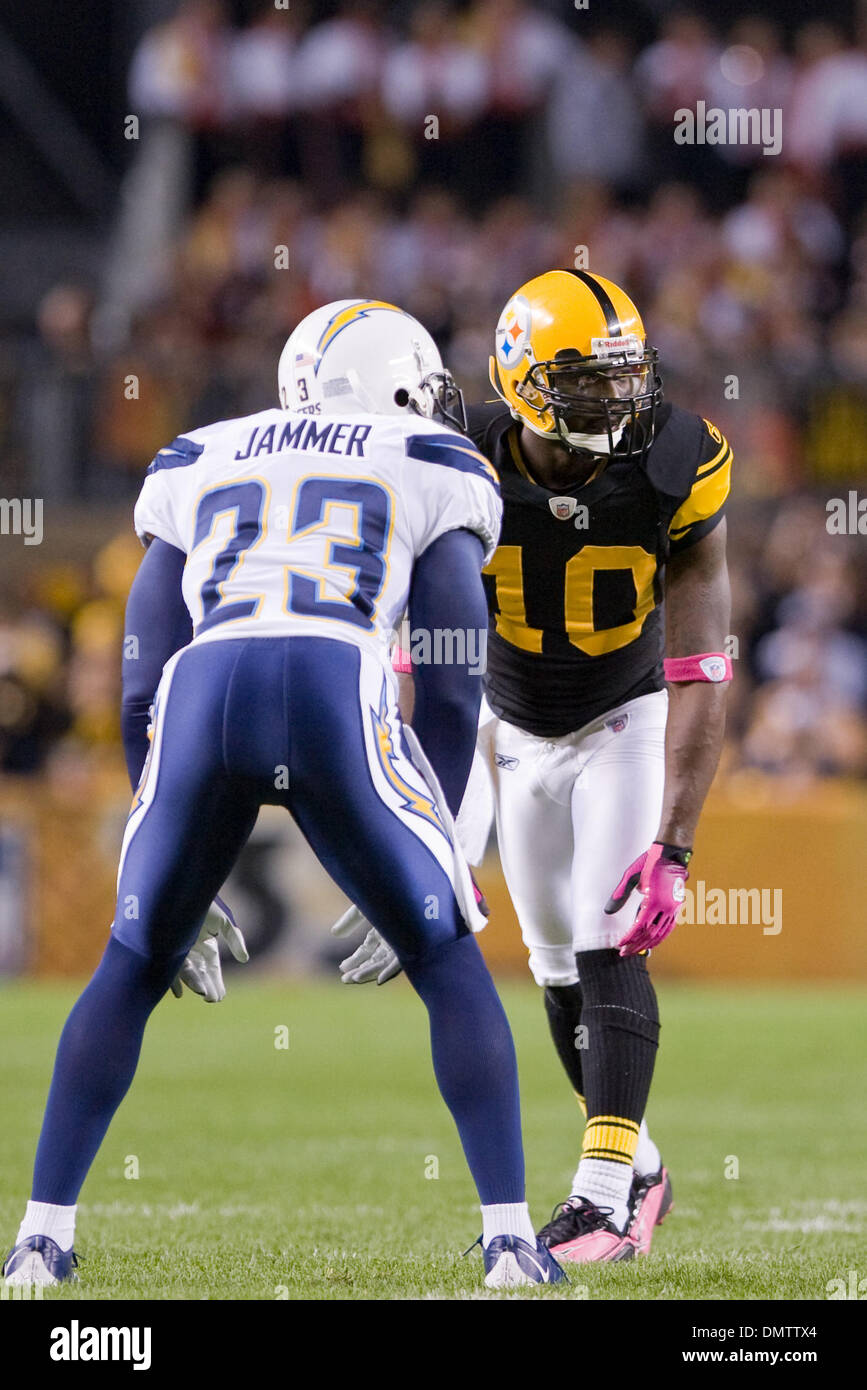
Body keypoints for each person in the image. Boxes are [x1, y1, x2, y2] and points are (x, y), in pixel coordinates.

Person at [3, 298, 564, 1291]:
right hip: (331, 679)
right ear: (396, 379)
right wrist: (431, 855)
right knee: (446, 954)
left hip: (202, 689)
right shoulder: (436, 461)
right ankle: (511, 1241)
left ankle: (39, 1240)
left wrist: (164, 847)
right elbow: (446, 673)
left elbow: (142, 674)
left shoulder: (200, 453)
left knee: (130, 959)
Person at [337, 270, 733, 1263]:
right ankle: (639, 1168)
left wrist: (675, 843)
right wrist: (422, 815)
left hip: (624, 719)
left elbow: (702, 666)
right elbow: (403, 644)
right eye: (582, 380)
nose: (615, 401)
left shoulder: (675, 461)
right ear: (519, 379)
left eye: (622, 377)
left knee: (608, 943)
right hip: (509, 732)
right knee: (555, 968)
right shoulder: (455, 454)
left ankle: (601, 1197)